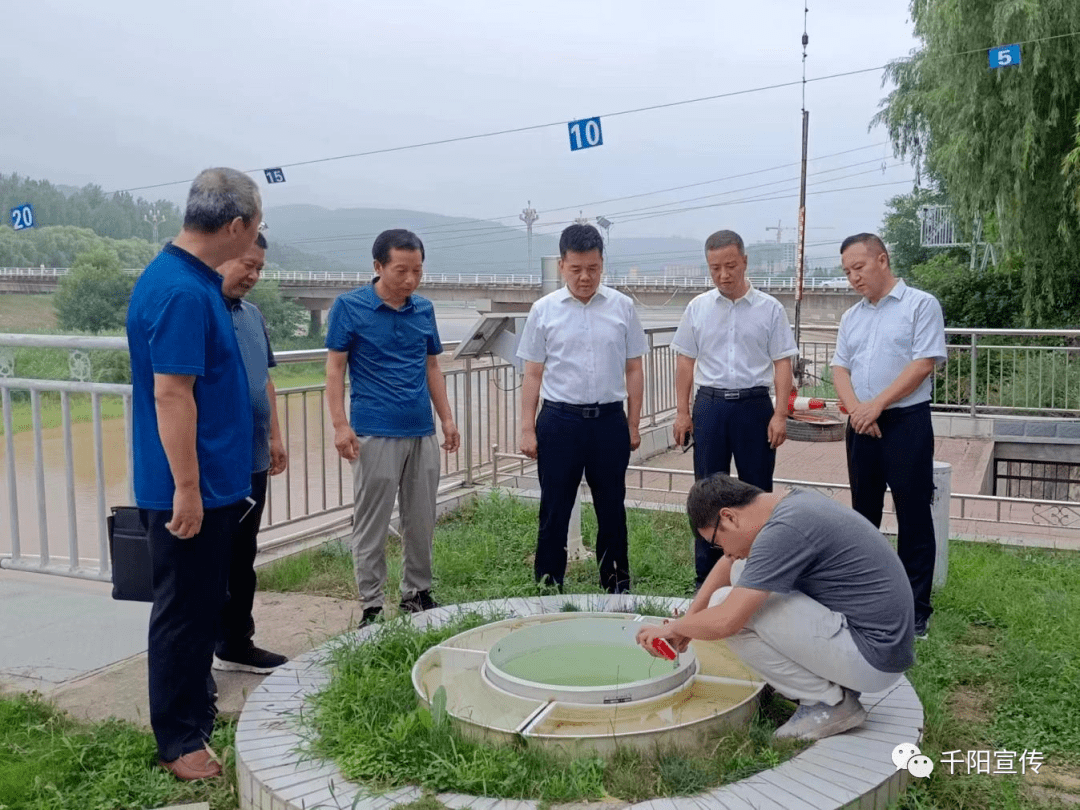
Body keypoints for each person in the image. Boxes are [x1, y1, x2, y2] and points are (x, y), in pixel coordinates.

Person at [126, 167, 261, 781]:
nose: (253, 241)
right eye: (254, 229)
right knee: (182, 615)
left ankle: (195, 712)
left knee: (202, 607)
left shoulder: (191, 280)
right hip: (191, 489)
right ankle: (178, 740)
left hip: (211, 484)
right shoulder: (181, 291)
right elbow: (172, 395)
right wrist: (187, 488)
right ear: (234, 227)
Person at [636, 473, 914, 741]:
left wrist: (675, 627)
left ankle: (828, 703)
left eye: (716, 543)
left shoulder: (785, 530)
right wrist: (691, 620)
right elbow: (732, 563)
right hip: (879, 647)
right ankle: (832, 687)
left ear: (728, 516)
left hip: (873, 658)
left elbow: (726, 621)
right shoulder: (789, 506)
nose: (724, 552)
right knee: (741, 570)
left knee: (727, 607)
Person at [325, 229, 460, 627]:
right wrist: (339, 425)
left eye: (417, 271)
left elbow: (432, 366)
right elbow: (334, 369)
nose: (410, 280)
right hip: (374, 432)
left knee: (421, 517)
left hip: (420, 430)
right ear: (378, 267)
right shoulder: (349, 308)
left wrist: (447, 418)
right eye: (400, 270)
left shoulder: (424, 310)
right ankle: (371, 604)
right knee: (371, 522)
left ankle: (417, 593)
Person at [517, 223, 648, 593]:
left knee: (612, 508)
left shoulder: (622, 307)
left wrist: (633, 424)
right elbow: (532, 374)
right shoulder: (543, 311)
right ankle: (548, 586)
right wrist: (528, 428)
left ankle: (617, 588)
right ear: (562, 265)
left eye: (592, 268)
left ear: (602, 264)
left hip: (608, 421)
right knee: (554, 509)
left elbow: (635, 368)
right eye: (576, 269)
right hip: (560, 421)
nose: (585, 277)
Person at [831, 233, 946, 639]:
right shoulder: (852, 317)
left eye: (858, 268)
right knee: (863, 515)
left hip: (905, 422)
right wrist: (858, 410)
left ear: (882, 259)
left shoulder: (920, 305)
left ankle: (916, 609)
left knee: (913, 514)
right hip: (862, 425)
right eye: (847, 272)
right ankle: (866, 599)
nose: (853, 278)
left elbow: (923, 364)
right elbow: (840, 369)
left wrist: (876, 404)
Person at [671, 229, 798, 589]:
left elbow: (782, 364)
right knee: (707, 492)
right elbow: (685, 362)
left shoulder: (769, 309)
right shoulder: (697, 308)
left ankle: (759, 577)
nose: (723, 275)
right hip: (709, 407)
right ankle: (707, 580)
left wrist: (779, 414)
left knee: (757, 492)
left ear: (744, 261)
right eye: (715, 268)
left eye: (730, 265)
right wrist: (683, 412)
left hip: (754, 407)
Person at [212, 232, 289, 674]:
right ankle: (194, 663)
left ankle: (236, 642)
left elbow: (265, 381)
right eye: (248, 265)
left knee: (243, 557)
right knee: (207, 565)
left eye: (260, 268)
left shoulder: (251, 315)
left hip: (253, 458)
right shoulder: (199, 310)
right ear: (221, 256)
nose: (254, 276)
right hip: (212, 463)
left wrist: (275, 437)